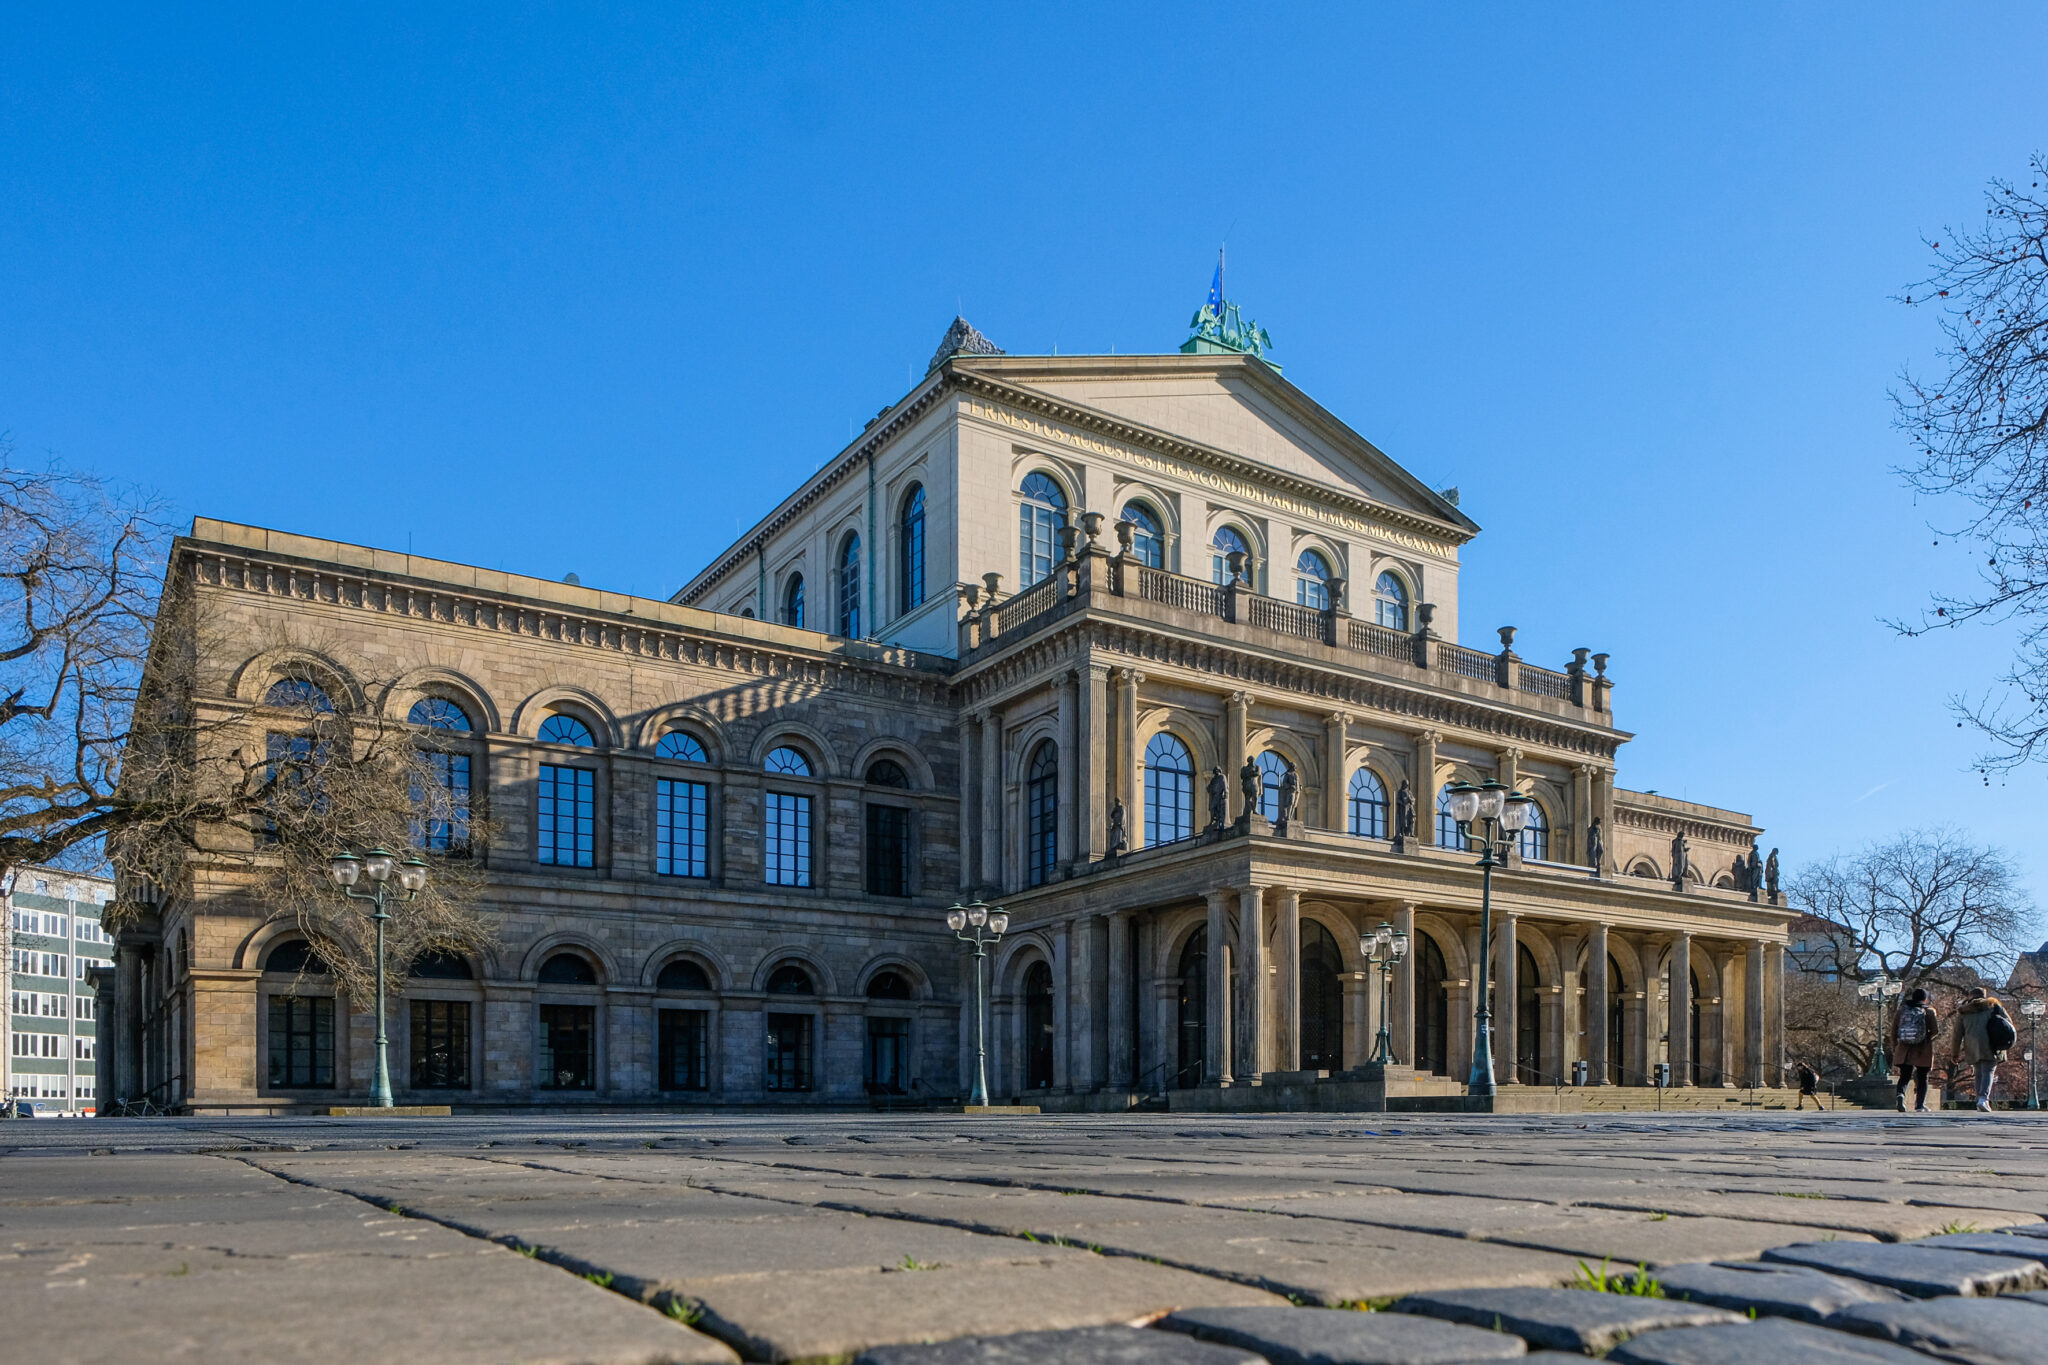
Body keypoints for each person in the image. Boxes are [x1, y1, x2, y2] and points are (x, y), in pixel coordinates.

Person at [1952, 986, 2013, 1112]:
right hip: (1992, 1044)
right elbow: (2008, 1024)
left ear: (1970, 997)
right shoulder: (1993, 1007)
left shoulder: (1963, 1012)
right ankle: (1983, 1099)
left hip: (1972, 1046)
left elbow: (1957, 1034)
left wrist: (1955, 1053)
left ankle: (1980, 1100)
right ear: (1984, 996)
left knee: (1979, 1072)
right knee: (1988, 1071)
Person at [1892, 986, 1937, 1112]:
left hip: (1904, 1048)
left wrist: (1895, 1045)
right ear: (1925, 999)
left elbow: (1893, 1030)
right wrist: (1926, 1038)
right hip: (1922, 1049)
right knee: (1922, 1077)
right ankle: (1919, 1105)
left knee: (1905, 1076)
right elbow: (1935, 1031)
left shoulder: (1902, 1011)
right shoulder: (1929, 1012)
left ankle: (1900, 1094)